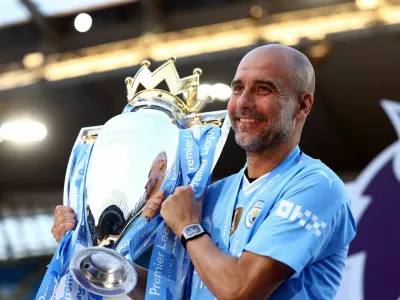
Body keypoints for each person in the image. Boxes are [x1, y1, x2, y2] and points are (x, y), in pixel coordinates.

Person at [52, 44, 356, 299]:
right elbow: (173, 292)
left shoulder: (317, 186)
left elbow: (240, 291)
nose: (244, 103)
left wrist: (188, 227)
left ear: (303, 104)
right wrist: (93, 252)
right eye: (238, 89)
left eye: (263, 89)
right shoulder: (212, 194)